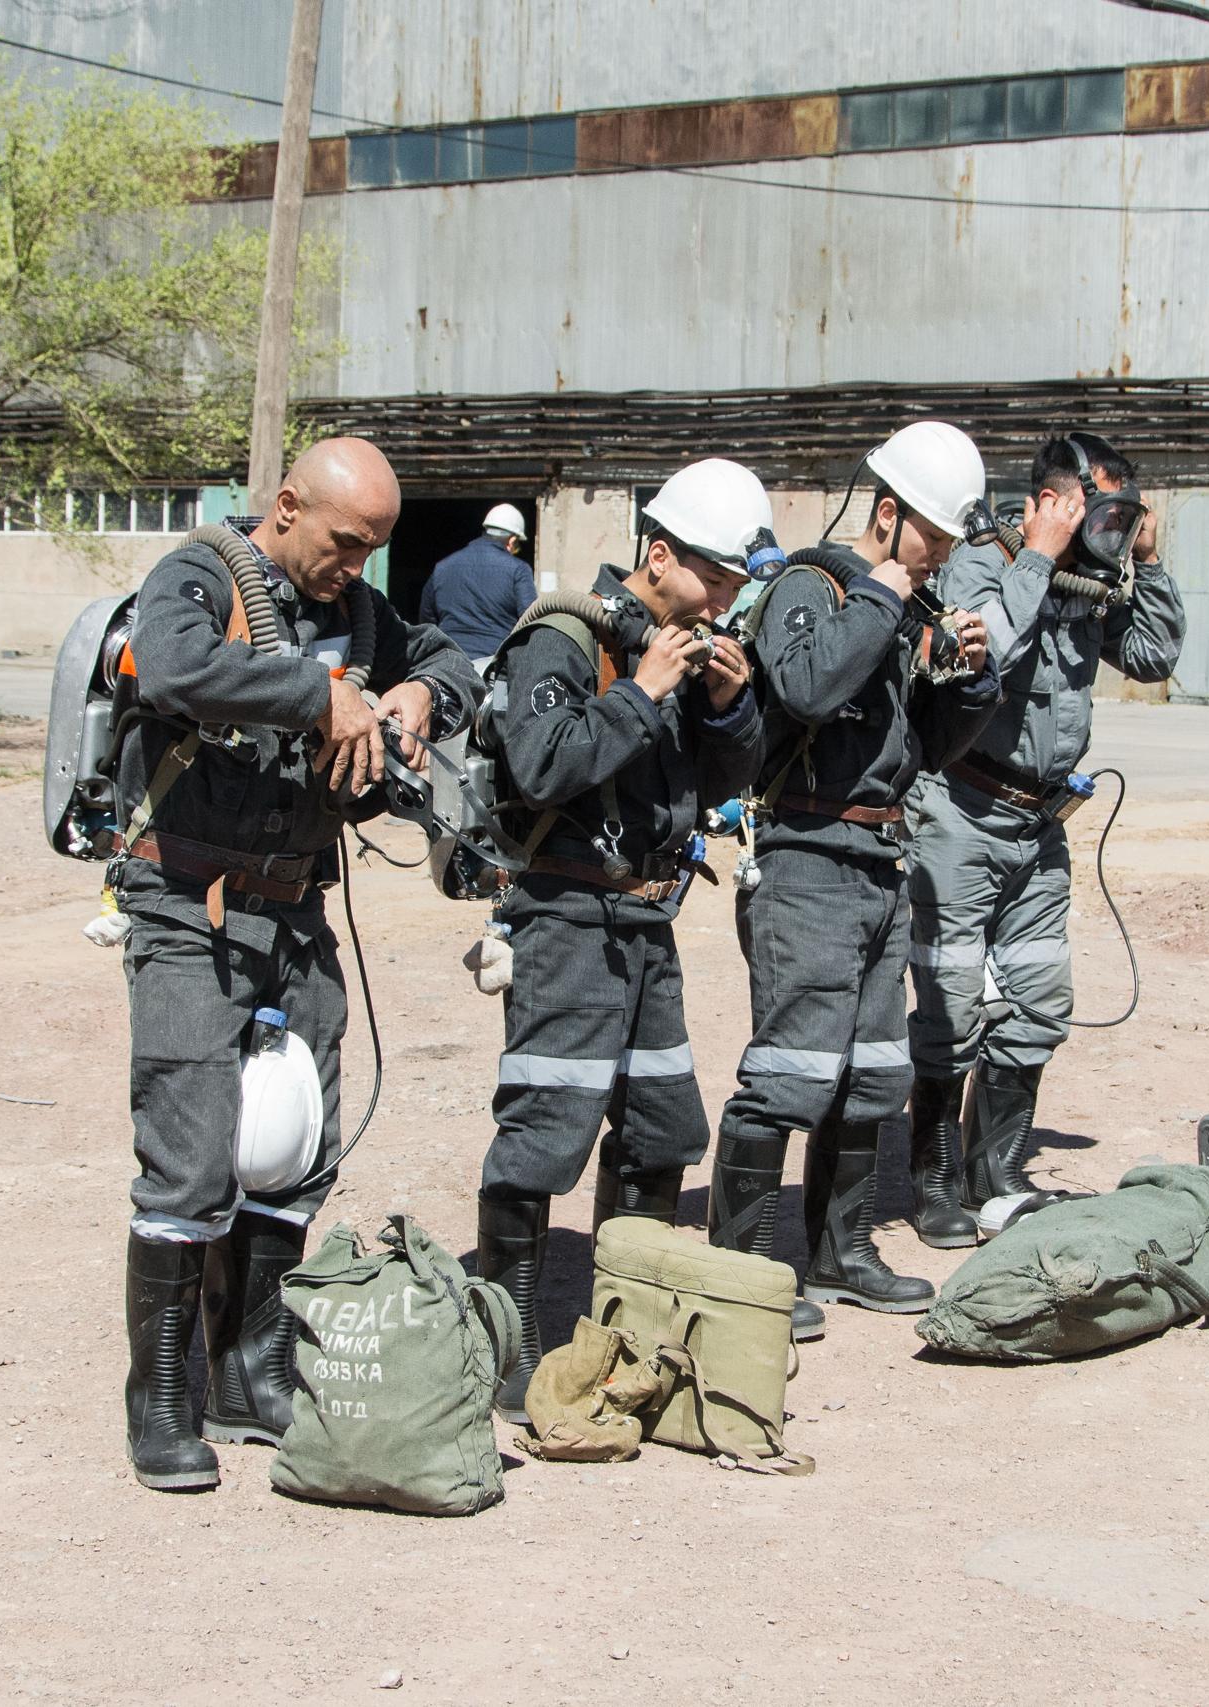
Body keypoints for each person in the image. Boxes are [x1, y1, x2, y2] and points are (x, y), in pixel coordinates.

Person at [109, 437, 480, 1491]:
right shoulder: (200, 574)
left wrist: (419, 700)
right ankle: (166, 1397)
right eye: (343, 542)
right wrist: (318, 696)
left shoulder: (362, 612)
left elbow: (444, 657)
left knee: (294, 1147)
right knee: (190, 1153)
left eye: (373, 550)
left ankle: (251, 1370)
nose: (354, 567)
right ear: (285, 506)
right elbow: (174, 666)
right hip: (190, 900)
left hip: (297, 904)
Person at [471, 459, 771, 1423]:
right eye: (714, 580)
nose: (726, 601)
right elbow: (545, 764)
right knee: (544, 1133)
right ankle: (509, 1350)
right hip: (566, 919)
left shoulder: (686, 645)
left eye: (734, 587)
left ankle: (620, 1335)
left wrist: (728, 707)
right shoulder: (563, 639)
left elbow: (721, 775)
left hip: (645, 921)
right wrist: (643, 691)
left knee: (662, 1128)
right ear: (657, 555)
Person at [710, 420, 1001, 1339]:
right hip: (806, 858)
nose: (944, 557)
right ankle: (748, 1267)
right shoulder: (816, 584)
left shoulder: (894, 609)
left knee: (871, 1071)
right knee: (791, 1069)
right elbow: (802, 687)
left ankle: (840, 1250)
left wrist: (965, 683)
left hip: (878, 858)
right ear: (888, 514)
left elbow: (914, 752)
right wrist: (886, 600)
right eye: (936, 538)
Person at [901, 431, 1184, 1246]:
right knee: (951, 1005)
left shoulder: (1097, 575)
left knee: (1037, 1000)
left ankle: (1000, 1171)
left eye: (1124, 510)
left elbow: (1153, 653)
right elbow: (980, 655)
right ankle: (933, 1179)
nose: (1111, 524)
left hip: (1038, 822)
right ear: (1052, 501)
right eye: (1100, 506)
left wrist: (1149, 564)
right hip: (962, 811)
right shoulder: (986, 559)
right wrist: (1037, 555)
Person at [421, 502, 536, 659]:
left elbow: (427, 619)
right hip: (495, 665)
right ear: (511, 541)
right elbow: (531, 620)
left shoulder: (443, 567)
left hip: (448, 661)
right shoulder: (519, 570)